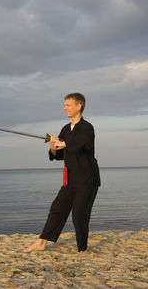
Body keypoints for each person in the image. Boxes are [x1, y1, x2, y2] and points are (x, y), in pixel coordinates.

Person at [23, 93, 101, 253]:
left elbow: (81, 143)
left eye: (68, 105)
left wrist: (63, 142)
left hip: (87, 179)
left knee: (79, 214)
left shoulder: (87, 128)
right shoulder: (66, 128)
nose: (64, 108)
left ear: (78, 107)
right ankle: (41, 242)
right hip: (70, 180)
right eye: (64, 105)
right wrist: (53, 145)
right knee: (57, 208)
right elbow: (58, 155)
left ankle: (82, 249)